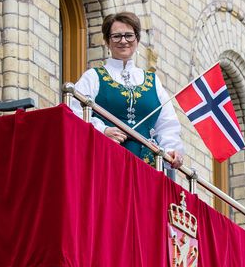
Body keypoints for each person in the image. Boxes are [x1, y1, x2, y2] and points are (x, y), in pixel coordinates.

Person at [70, 12, 185, 169]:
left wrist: (172, 150)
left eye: (129, 35)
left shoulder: (153, 81)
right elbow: (74, 111)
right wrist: (102, 130)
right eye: (116, 36)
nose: (123, 41)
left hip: (146, 168)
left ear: (137, 40)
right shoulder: (93, 76)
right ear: (107, 41)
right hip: (105, 162)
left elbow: (167, 124)